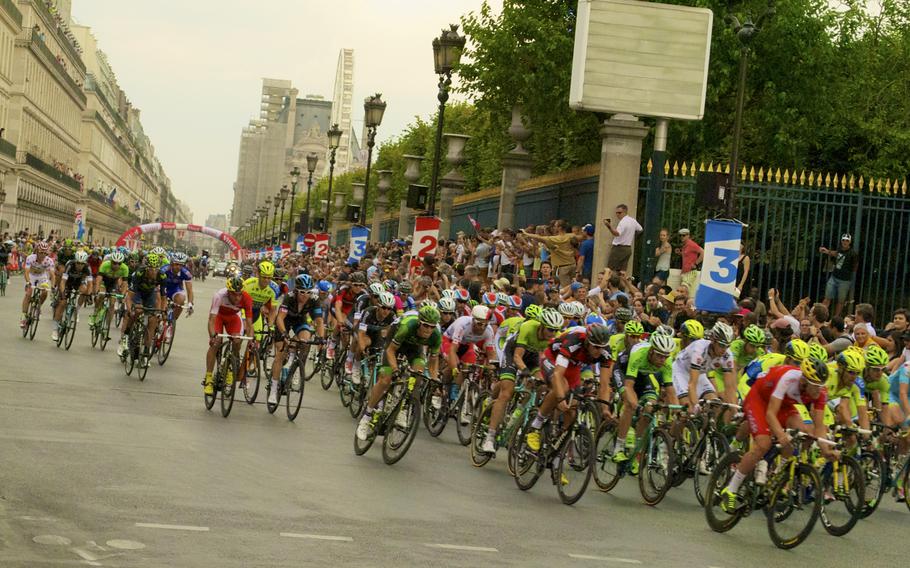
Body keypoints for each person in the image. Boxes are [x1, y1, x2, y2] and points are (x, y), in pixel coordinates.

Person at [720, 358, 837, 512]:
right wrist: (781, 436)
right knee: (763, 444)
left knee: (804, 432)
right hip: (759, 400)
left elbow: (820, 427)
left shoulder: (820, 392)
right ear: (803, 380)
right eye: (814, 386)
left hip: (785, 405)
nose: (818, 391)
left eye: (820, 386)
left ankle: (775, 475)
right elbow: (770, 414)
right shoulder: (788, 379)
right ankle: (731, 489)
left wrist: (826, 450)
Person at [483, 308, 565, 455]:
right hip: (513, 353)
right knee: (506, 393)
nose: (552, 334)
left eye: (555, 330)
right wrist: (524, 371)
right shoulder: (528, 327)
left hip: (533, 357)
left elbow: (552, 361)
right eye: (550, 329)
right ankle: (490, 437)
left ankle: (518, 414)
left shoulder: (555, 337)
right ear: (541, 326)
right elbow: (517, 357)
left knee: (541, 384)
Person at [356, 304, 442, 441]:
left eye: (432, 326)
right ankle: (367, 415)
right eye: (426, 325)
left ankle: (404, 406)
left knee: (418, 373)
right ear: (420, 322)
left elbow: (433, 362)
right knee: (385, 379)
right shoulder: (407, 326)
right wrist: (395, 369)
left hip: (415, 347)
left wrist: (435, 379)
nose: (428, 330)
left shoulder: (436, 335)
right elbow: (390, 351)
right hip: (395, 342)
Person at [270, 274, 325, 402]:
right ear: (296, 290)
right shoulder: (289, 297)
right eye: (301, 292)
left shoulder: (314, 299)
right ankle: (273, 389)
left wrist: (321, 338)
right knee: (281, 353)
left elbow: (319, 321)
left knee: (305, 340)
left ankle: (292, 364)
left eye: (308, 292)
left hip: (300, 320)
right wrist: (284, 334)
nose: (305, 295)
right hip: (284, 321)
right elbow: (280, 318)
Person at [204, 276, 254, 395]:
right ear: (228, 292)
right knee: (216, 343)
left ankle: (230, 369)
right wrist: (212, 336)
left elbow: (249, 323)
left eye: (239, 294)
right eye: (234, 294)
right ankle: (209, 379)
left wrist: (251, 340)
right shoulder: (219, 296)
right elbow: (211, 320)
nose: (237, 298)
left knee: (237, 341)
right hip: (219, 317)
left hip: (233, 318)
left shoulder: (246, 298)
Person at [53, 250, 93, 342]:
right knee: (62, 303)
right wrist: (63, 294)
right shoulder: (70, 265)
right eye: (78, 263)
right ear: (75, 261)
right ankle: (55, 329)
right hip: (68, 282)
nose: (80, 266)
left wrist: (89, 295)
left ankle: (77, 310)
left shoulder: (87, 267)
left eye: (82, 264)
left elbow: (90, 284)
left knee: (85, 291)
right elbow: (63, 282)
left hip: (78, 283)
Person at [521, 220, 576, 286]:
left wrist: (526, 233)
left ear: (560, 228)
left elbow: (540, 238)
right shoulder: (571, 236)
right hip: (572, 264)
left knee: (563, 286)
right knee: (571, 286)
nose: (554, 228)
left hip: (562, 267)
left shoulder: (555, 239)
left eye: (555, 226)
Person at [820, 233, 858, 317]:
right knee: (827, 297)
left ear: (850, 242)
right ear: (841, 241)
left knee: (840, 301)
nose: (845, 242)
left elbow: (855, 266)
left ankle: (835, 318)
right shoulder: (840, 249)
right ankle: (820, 315)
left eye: (847, 241)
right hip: (835, 276)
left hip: (845, 280)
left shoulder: (852, 254)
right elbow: (836, 253)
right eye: (843, 240)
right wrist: (827, 251)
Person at [20, 240, 55, 328]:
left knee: (44, 292)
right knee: (28, 293)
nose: (42, 254)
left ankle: (37, 307)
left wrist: (53, 286)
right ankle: (24, 316)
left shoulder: (49, 261)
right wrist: (28, 282)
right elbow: (26, 272)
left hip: (42, 276)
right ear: (37, 251)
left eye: (44, 252)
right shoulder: (30, 258)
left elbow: (52, 275)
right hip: (31, 276)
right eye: (40, 252)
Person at [604, 204, 642, 272]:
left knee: (609, 270)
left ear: (625, 212)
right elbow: (640, 229)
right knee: (622, 272)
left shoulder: (623, 222)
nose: (617, 215)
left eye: (619, 213)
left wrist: (608, 226)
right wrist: (631, 235)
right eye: (616, 213)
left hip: (619, 248)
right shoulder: (632, 220)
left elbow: (617, 233)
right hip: (627, 248)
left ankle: (607, 282)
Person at [676, 229, 703, 295]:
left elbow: (703, 252)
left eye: (684, 235)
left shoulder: (691, 244)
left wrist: (696, 263)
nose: (682, 237)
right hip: (685, 272)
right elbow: (688, 255)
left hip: (690, 271)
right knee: (684, 292)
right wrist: (680, 253)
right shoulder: (685, 245)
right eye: (680, 235)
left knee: (683, 290)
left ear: (688, 235)